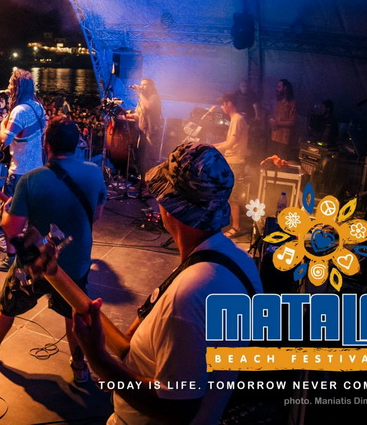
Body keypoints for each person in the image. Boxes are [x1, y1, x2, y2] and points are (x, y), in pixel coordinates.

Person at [72, 143, 262, 425]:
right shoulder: (240, 261)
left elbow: (176, 410)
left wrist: (99, 360)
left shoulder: (189, 295)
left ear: (171, 206)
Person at [0, 115, 106, 386]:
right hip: (75, 263)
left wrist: (3, 213)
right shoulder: (94, 172)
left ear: (46, 144)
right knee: (76, 315)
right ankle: (80, 367)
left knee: (8, 306)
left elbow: (12, 229)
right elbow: (96, 216)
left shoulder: (31, 179)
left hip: (35, 264)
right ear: (77, 144)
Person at [0, 69, 47, 271]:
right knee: (33, 217)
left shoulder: (19, 111)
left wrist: (3, 123)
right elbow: (42, 131)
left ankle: (10, 259)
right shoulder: (38, 107)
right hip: (37, 171)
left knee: (7, 217)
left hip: (19, 173)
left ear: (18, 87)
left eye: (12, 84)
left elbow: (5, 139)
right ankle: (32, 256)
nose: (9, 87)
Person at [213, 93, 249, 238]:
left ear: (229, 104)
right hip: (231, 160)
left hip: (235, 161)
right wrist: (214, 145)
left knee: (233, 195)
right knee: (227, 194)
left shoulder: (237, 119)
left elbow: (231, 144)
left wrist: (213, 148)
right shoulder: (236, 119)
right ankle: (229, 223)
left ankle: (236, 227)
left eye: (223, 104)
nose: (221, 107)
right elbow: (228, 142)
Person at [133, 78, 163, 171]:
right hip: (142, 132)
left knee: (148, 159)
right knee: (141, 159)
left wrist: (140, 93)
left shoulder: (154, 97)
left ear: (151, 87)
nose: (142, 86)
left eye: (145, 85)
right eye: (141, 84)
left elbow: (149, 106)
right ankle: (141, 181)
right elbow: (138, 114)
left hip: (151, 133)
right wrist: (124, 115)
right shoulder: (142, 100)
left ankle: (148, 182)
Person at [269, 79, 297, 159]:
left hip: (284, 139)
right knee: (272, 161)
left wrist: (277, 123)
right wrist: (271, 121)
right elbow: (275, 117)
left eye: (279, 87)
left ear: (285, 88)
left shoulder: (292, 103)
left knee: (280, 163)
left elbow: (293, 122)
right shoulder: (279, 102)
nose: (277, 89)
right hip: (274, 137)